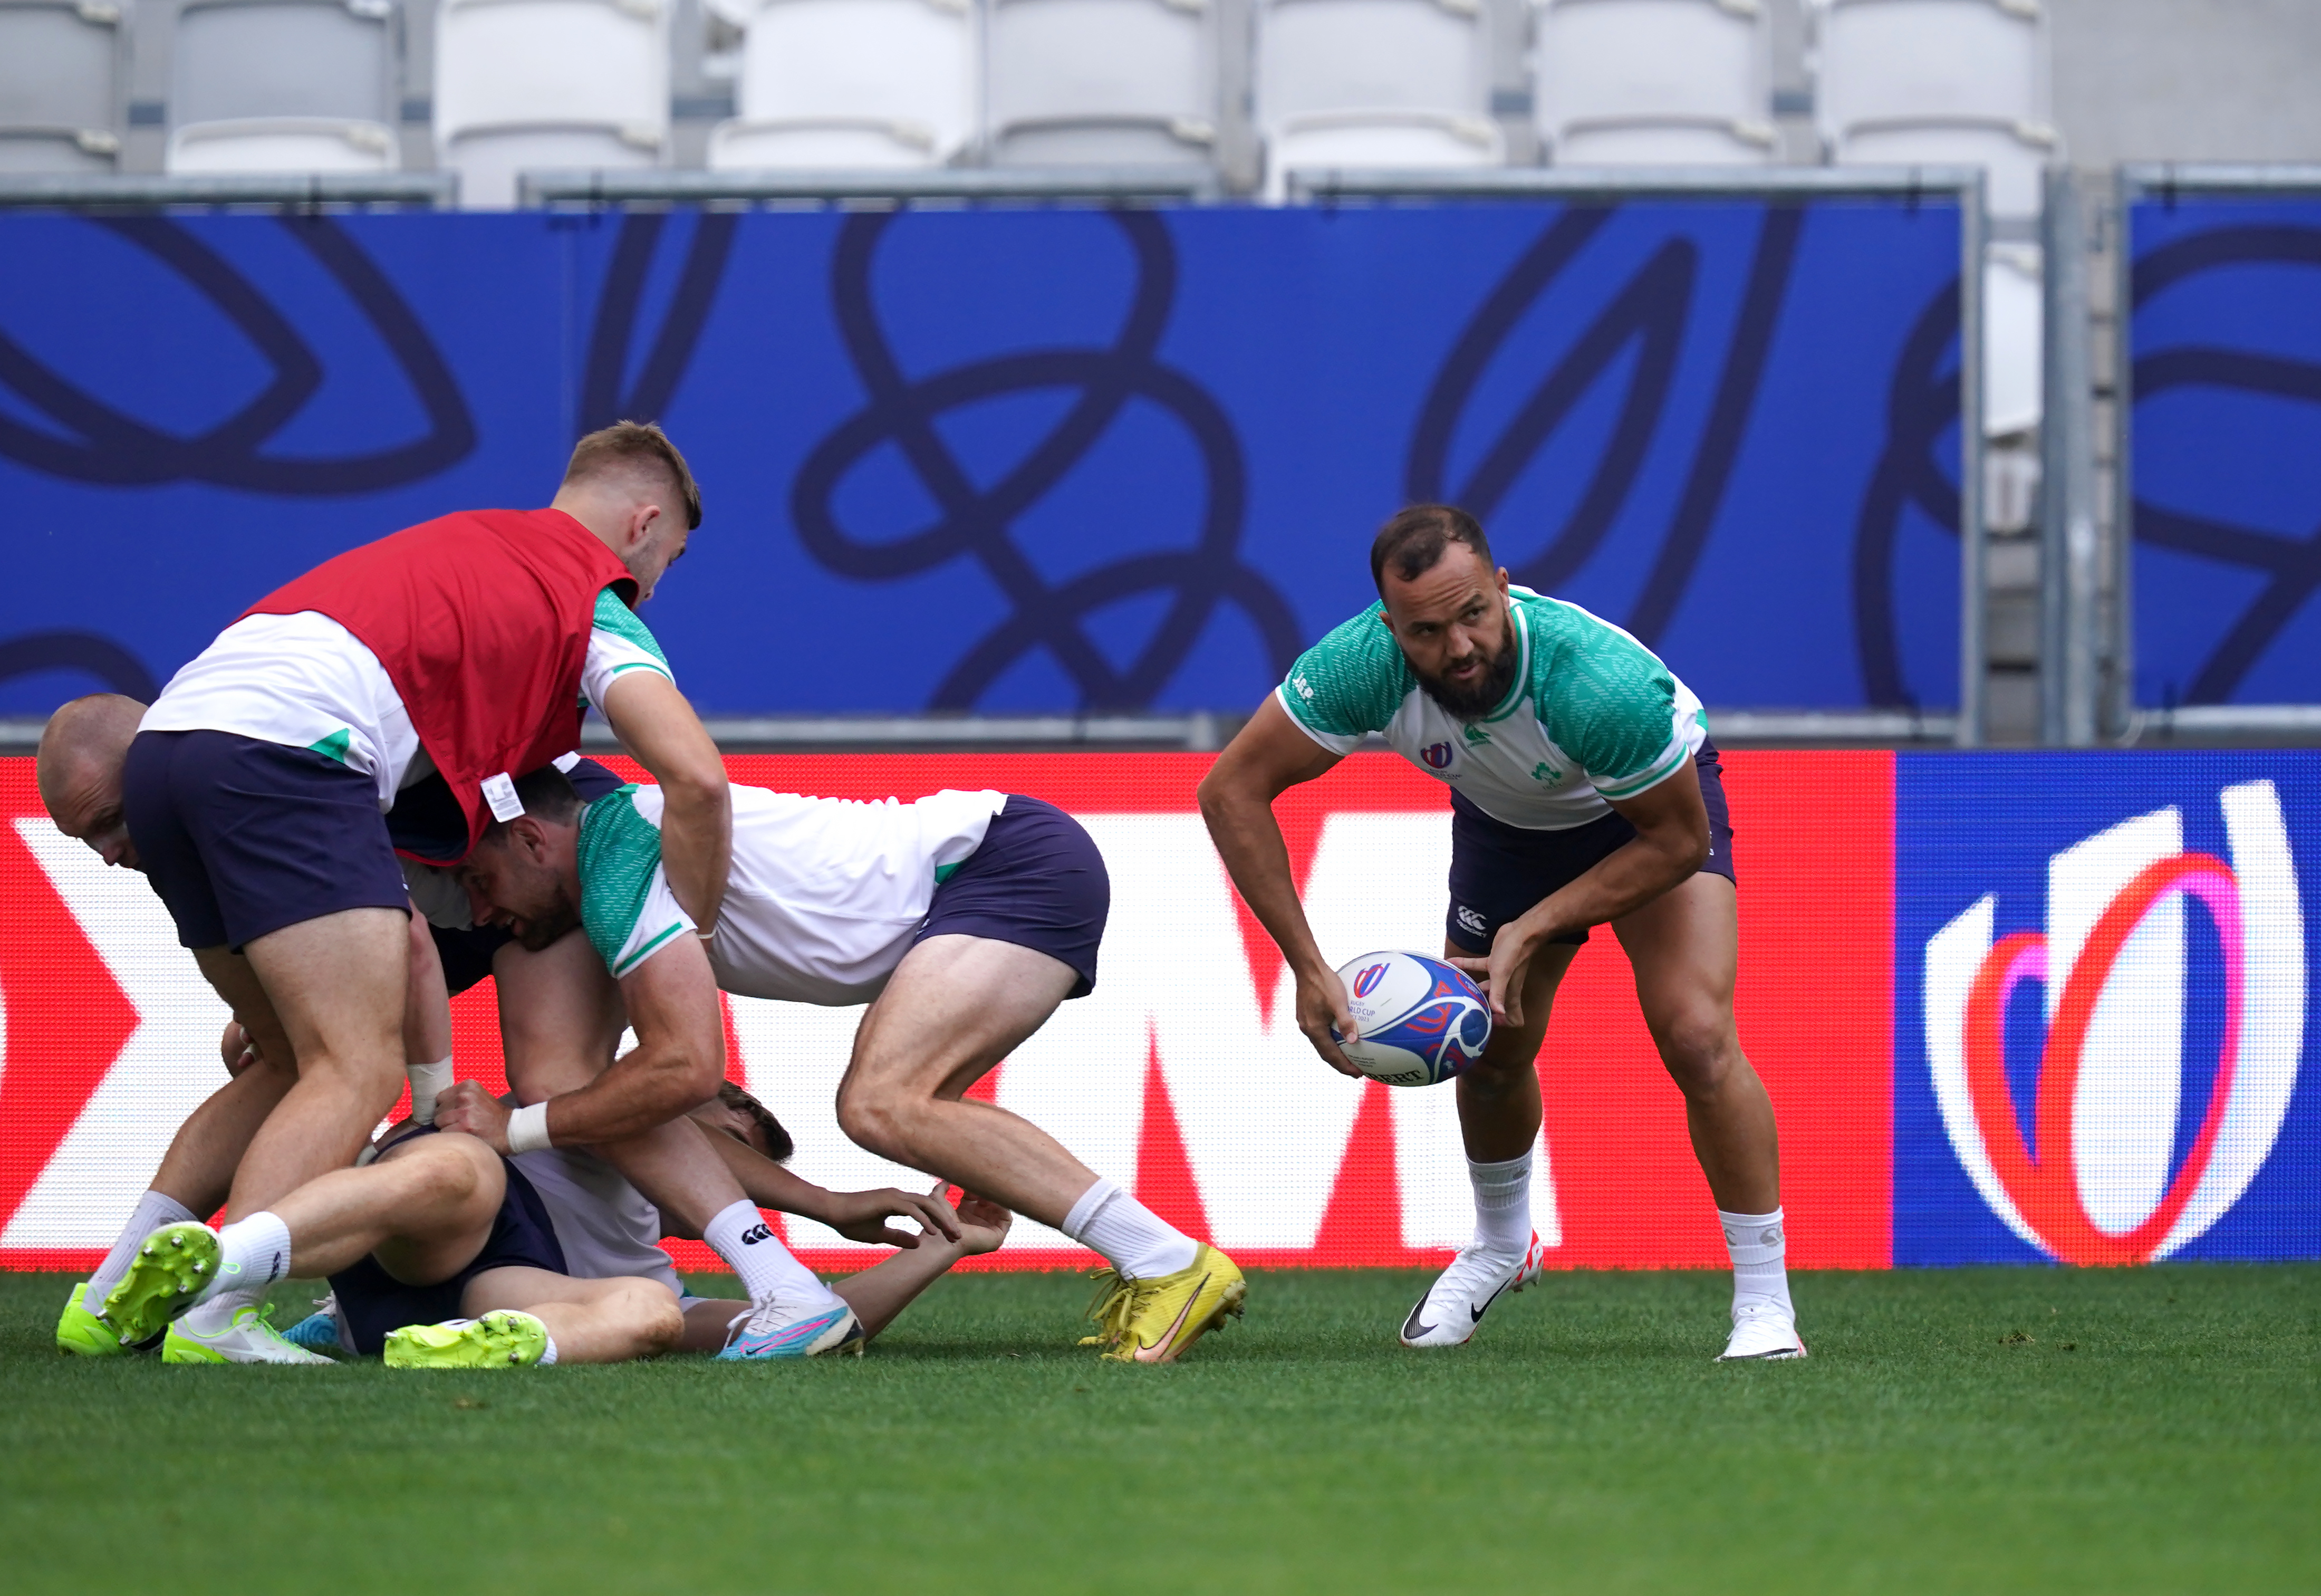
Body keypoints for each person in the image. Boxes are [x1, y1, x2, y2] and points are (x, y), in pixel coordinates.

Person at [43, 419, 756, 1358]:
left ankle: (104, 1302)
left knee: (289, 1058)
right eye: (667, 559)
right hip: (292, 753)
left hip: (174, 750)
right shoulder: (588, 593)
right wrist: (690, 935)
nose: (655, 584)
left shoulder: (470, 543)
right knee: (353, 1066)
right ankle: (217, 1315)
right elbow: (697, 779)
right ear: (643, 523)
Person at [49, 721, 881, 1360]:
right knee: (453, 1138)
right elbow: (412, 943)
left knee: (644, 1305)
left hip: (469, 1267)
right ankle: (212, 1289)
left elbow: (413, 938)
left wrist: (840, 1214)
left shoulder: (247, 777)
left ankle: (222, 1292)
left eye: (115, 821)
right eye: (93, 836)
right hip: (456, 1210)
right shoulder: (597, 1143)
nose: (113, 851)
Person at [1197, 504, 1803, 1361]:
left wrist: (1538, 922)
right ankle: (1499, 1243)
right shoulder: (1360, 668)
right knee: (1483, 1048)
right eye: (1425, 630)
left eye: (1474, 613)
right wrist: (1304, 964)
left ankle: (1765, 1305)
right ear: (1388, 626)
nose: (1457, 648)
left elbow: (1679, 841)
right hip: (1508, 826)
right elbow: (1230, 791)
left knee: (1697, 1036)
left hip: (1641, 815)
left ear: (1503, 589)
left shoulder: (1595, 683)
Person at [442, 767, 1247, 1364]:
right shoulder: (615, 852)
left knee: (881, 1103)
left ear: (534, 838)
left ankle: (1168, 1259)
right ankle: (1157, 1259)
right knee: (901, 1104)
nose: (481, 912)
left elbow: (683, 1071)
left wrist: (513, 1128)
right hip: (1010, 861)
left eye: (481, 881)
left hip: (1002, 863)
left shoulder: (618, 864)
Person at [103, 1081, 998, 1368]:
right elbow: (663, 1118)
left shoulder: (651, 1263)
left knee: (647, 1320)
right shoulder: (582, 1112)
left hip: (477, 1294)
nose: (717, 1160)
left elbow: (820, 1327)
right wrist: (825, 1202)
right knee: (456, 1171)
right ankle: (218, 1272)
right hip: (432, 1215)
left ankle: (473, 1346)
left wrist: (947, 1246)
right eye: (720, 1131)